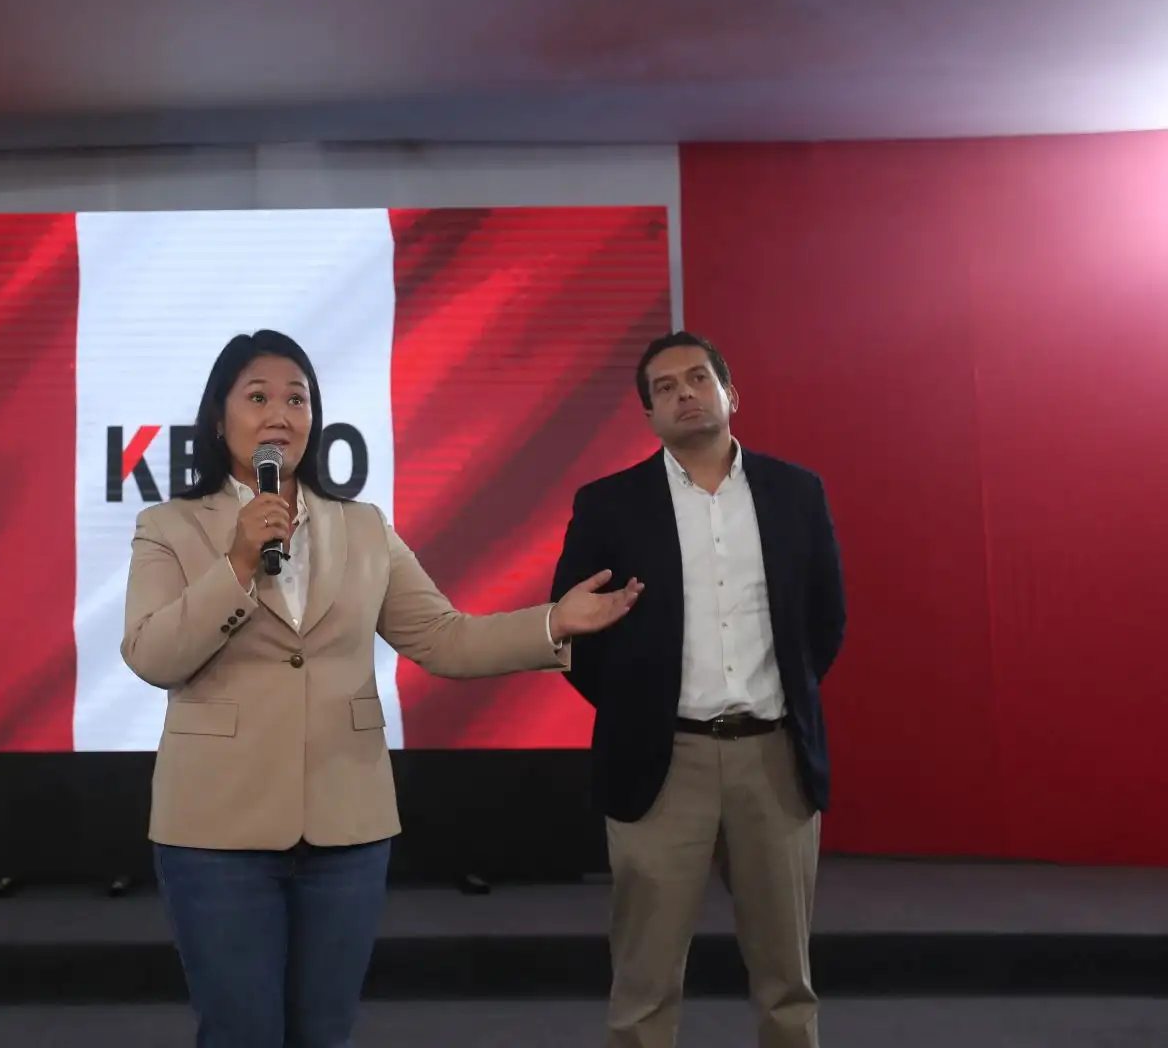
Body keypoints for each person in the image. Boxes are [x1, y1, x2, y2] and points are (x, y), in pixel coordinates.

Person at [121, 329, 642, 1048]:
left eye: (297, 397)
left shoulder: (363, 528)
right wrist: (239, 561)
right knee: (241, 1033)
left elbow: (444, 638)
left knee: (324, 1033)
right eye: (259, 396)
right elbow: (153, 654)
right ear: (219, 417)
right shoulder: (170, 525)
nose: (280, 413)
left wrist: (554, 621)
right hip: (216, 831)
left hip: (348, 828)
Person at [549, 331, 846, 1048]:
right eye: (664, 387)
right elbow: (575, 631)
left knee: (788, 982)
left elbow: (824, 621)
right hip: (661, 759)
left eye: (697, 379)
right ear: (649, 415)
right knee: (645, 985)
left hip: (773, 758)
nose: (684, 393)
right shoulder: (608, 505)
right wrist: (640, 708)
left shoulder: (796, 493)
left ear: (729, 393)